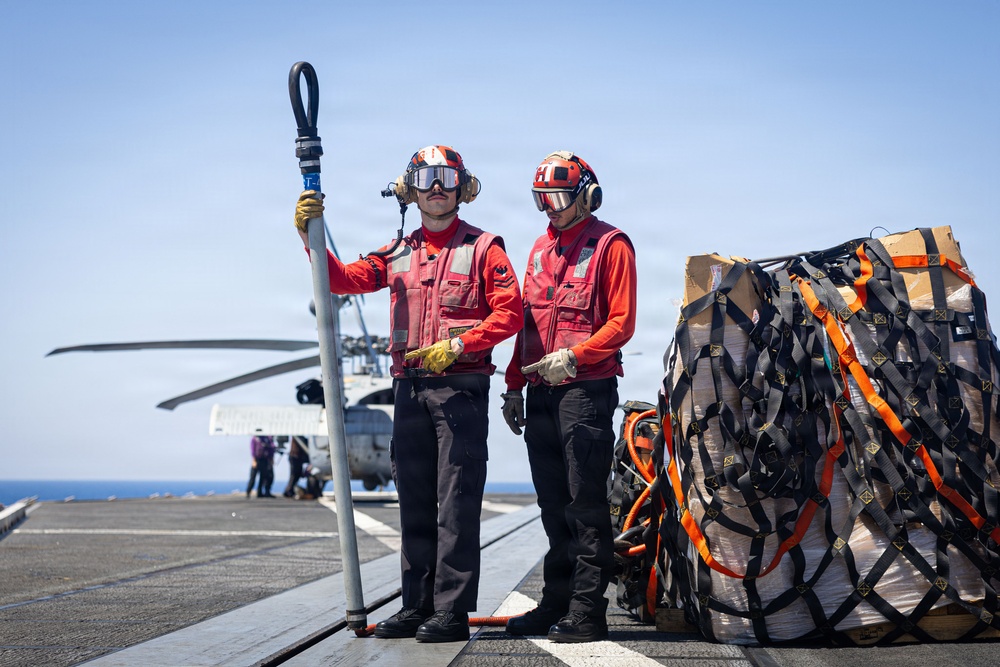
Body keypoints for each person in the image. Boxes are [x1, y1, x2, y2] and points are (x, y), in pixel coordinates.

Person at [293, 145, 523, 642]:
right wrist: (309, 236)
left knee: (455, 501)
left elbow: (510, 313)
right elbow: (340, 280)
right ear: (410, 189)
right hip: (407, 388)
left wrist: (460, 344)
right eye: (426, 178)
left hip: (460, 389)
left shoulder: (485, 249)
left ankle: (452, 612)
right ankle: (416, 606)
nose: (436, 187)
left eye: (445, 178)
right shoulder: (397, 252)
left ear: (463, 187)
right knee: (414, 499)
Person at [501, 151, 637, 643]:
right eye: (541, 198)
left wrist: (577, 357)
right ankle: (556, 601)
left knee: (585, 504)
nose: (549, 209)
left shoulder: (611, 245)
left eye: (557, 197)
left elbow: (622, 323)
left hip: (584, 392)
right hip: (540, 395)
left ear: (587, 195)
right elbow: (526, 325)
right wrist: (514, 385)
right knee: (553, 505)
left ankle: (587, 611)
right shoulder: (539, 249)